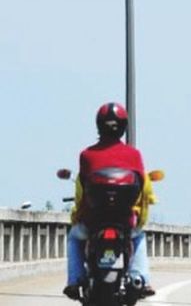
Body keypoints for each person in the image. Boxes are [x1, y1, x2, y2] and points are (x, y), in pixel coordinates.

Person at [63, 102, 156, 300]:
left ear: (99, 125)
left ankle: (74, 280)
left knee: (74, 238)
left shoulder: (87, 155)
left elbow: (80, 192)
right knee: (138, 236)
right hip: (124, 222)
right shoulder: (134, 155)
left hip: (93, 223)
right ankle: (140, 278)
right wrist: (140, 217)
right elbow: (144, 190)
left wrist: (77, 216)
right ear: (123, 127)